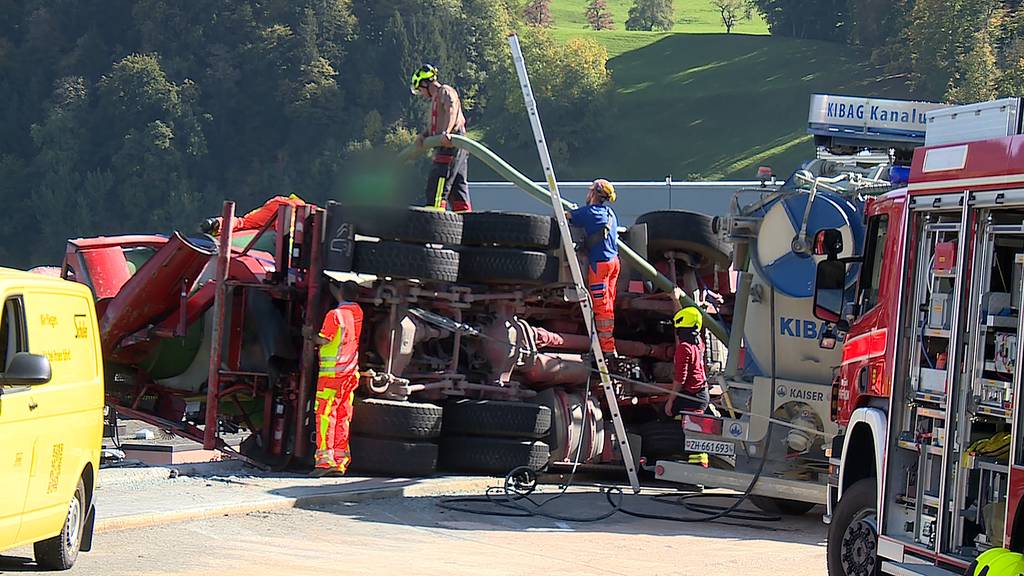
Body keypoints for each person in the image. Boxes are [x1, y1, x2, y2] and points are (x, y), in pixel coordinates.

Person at [308, 283, 363, 477]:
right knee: (342, 416)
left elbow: (324, 339)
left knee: (324, 415)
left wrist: (309, 336)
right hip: (350, 373)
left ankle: (325, 462)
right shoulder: (357, 312)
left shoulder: (335, 315)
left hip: (332, 375)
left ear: (339, 292)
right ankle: (340, 462)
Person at [567, 179, 620, 357]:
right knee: (609, 304)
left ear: (593, 194)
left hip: (601, 265)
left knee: (601, 307)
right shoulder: (610, 213)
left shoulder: (588, 213)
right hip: (614, 262)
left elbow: (566, 217)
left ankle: (607, 349)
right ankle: (608, 342)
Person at [411, 64, 472, 212]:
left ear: (425, 84)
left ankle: (435, 221)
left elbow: (451, 110)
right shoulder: (436, 99)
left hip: (450, 144)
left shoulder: (445, 91)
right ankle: (467, 224)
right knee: (458, 191)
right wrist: (423, 136)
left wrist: (446, 132)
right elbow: (435, 125)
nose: (421, 93)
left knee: (437, 187)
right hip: (451, 145)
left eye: (420, 89)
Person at [665, 306, 709, 417]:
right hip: (703, 395)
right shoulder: (699, 344)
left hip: (692, 397)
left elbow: (680, 378)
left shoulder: (684, 348)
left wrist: (670, 401)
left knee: (665, 414)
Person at [201, 194, 308, 236]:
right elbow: (285, 232)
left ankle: (217, 224)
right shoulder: (300, 211)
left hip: (280, 204)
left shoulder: (299, 209)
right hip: (283, 207)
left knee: (245, 222)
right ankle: (217, 224)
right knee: (246, 223)